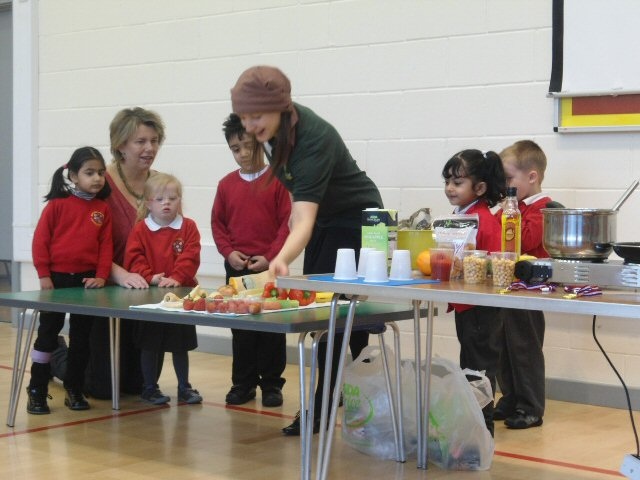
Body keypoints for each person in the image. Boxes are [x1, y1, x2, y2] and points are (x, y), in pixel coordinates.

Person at [230, 65, 384, 436]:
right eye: (243, 118)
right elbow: (298, 201)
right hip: (328, 219)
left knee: (334, 315)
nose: (249, 127)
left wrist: (281, 258)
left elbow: (304, 219)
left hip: (357, 218)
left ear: (280, 107)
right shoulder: (272, 133)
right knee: (323, 316)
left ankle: (323, 406)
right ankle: (335, 393)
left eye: (255, 117)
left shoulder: (313, 139)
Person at [85, 107, 166, 399]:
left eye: (154, 140)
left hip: (146, 290)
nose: (150, 148)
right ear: (120, 145)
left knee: (137, 385)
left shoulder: (161, 184)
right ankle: (59, 354)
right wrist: (119, 274)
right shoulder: (99, 182)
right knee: (102, 388)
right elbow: (87, 245)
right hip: (108, 287)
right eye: (140, 141)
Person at [212, 113, 291, 407]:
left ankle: (272, 384)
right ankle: (242, 384)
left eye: (247, 146)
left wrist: (270, 257)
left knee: (271, 327)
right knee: (241, 328)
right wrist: (229, 252)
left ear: (260, 142)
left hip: (269, 267)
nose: (243, 154)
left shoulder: (278, 181)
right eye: (235, 149)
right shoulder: (225, 185)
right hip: (236, 267)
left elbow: (287, 224)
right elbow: (218, 225)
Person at [27, 146, 113, 414]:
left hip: (86, 283)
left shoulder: (102, 209)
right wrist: (44, 275)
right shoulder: (57, 206)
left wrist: (100, 276)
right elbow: (40, 242)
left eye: (101, 172)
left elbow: (105, 246)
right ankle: (37, 390)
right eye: (90, 173)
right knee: (47, 337)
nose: (97, 178)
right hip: (56, 280)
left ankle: (74, 388)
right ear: (74, 176)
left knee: (82, 340)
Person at [442, 149, 506, 436]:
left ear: (479, 188)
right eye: (447, 181)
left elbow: (490, 264)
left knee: (478, 373)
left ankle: (483, 432)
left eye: (457, 182)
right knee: (471, 368)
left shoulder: (482, 219)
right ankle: (472, 431)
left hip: (480, 308)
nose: (449, 189)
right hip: (468, 306)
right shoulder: (465, 215)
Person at [124, 173, 203, 405]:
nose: (166, 203)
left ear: (180, 200)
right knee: (150, 345)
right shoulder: (140, 230)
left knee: (180, 346)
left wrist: (178, 277)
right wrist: (150, 277)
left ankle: (184, 387)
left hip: (180, 299)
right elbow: (134, 257)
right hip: (151, 298)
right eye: (159, 199)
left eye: (172, 198)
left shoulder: (188, 227)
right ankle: (149, 387)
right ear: (148, 202)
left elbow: (191, 255)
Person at [494, 140, 551, 429]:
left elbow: (525, 241)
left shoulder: (543, 209)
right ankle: (510, 397)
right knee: (503, 343)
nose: (504, 187)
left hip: (529, 290)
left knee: (524, 347)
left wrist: (508, 213)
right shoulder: (515, 207)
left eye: (508, 179)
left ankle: (530, 406)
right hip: (509, 287)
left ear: (532, 177)